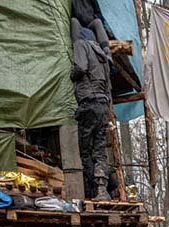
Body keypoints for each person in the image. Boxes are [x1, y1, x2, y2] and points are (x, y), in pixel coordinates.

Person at [71, 18, 113, 200]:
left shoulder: (81, 44)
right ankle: (102, 190)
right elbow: (109, 88)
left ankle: (90, 192)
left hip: (89, 103)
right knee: (99, 149)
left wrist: (72, 75)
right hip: (103, 106)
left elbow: (80, 68)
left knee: (86, 150)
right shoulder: (104, 56)